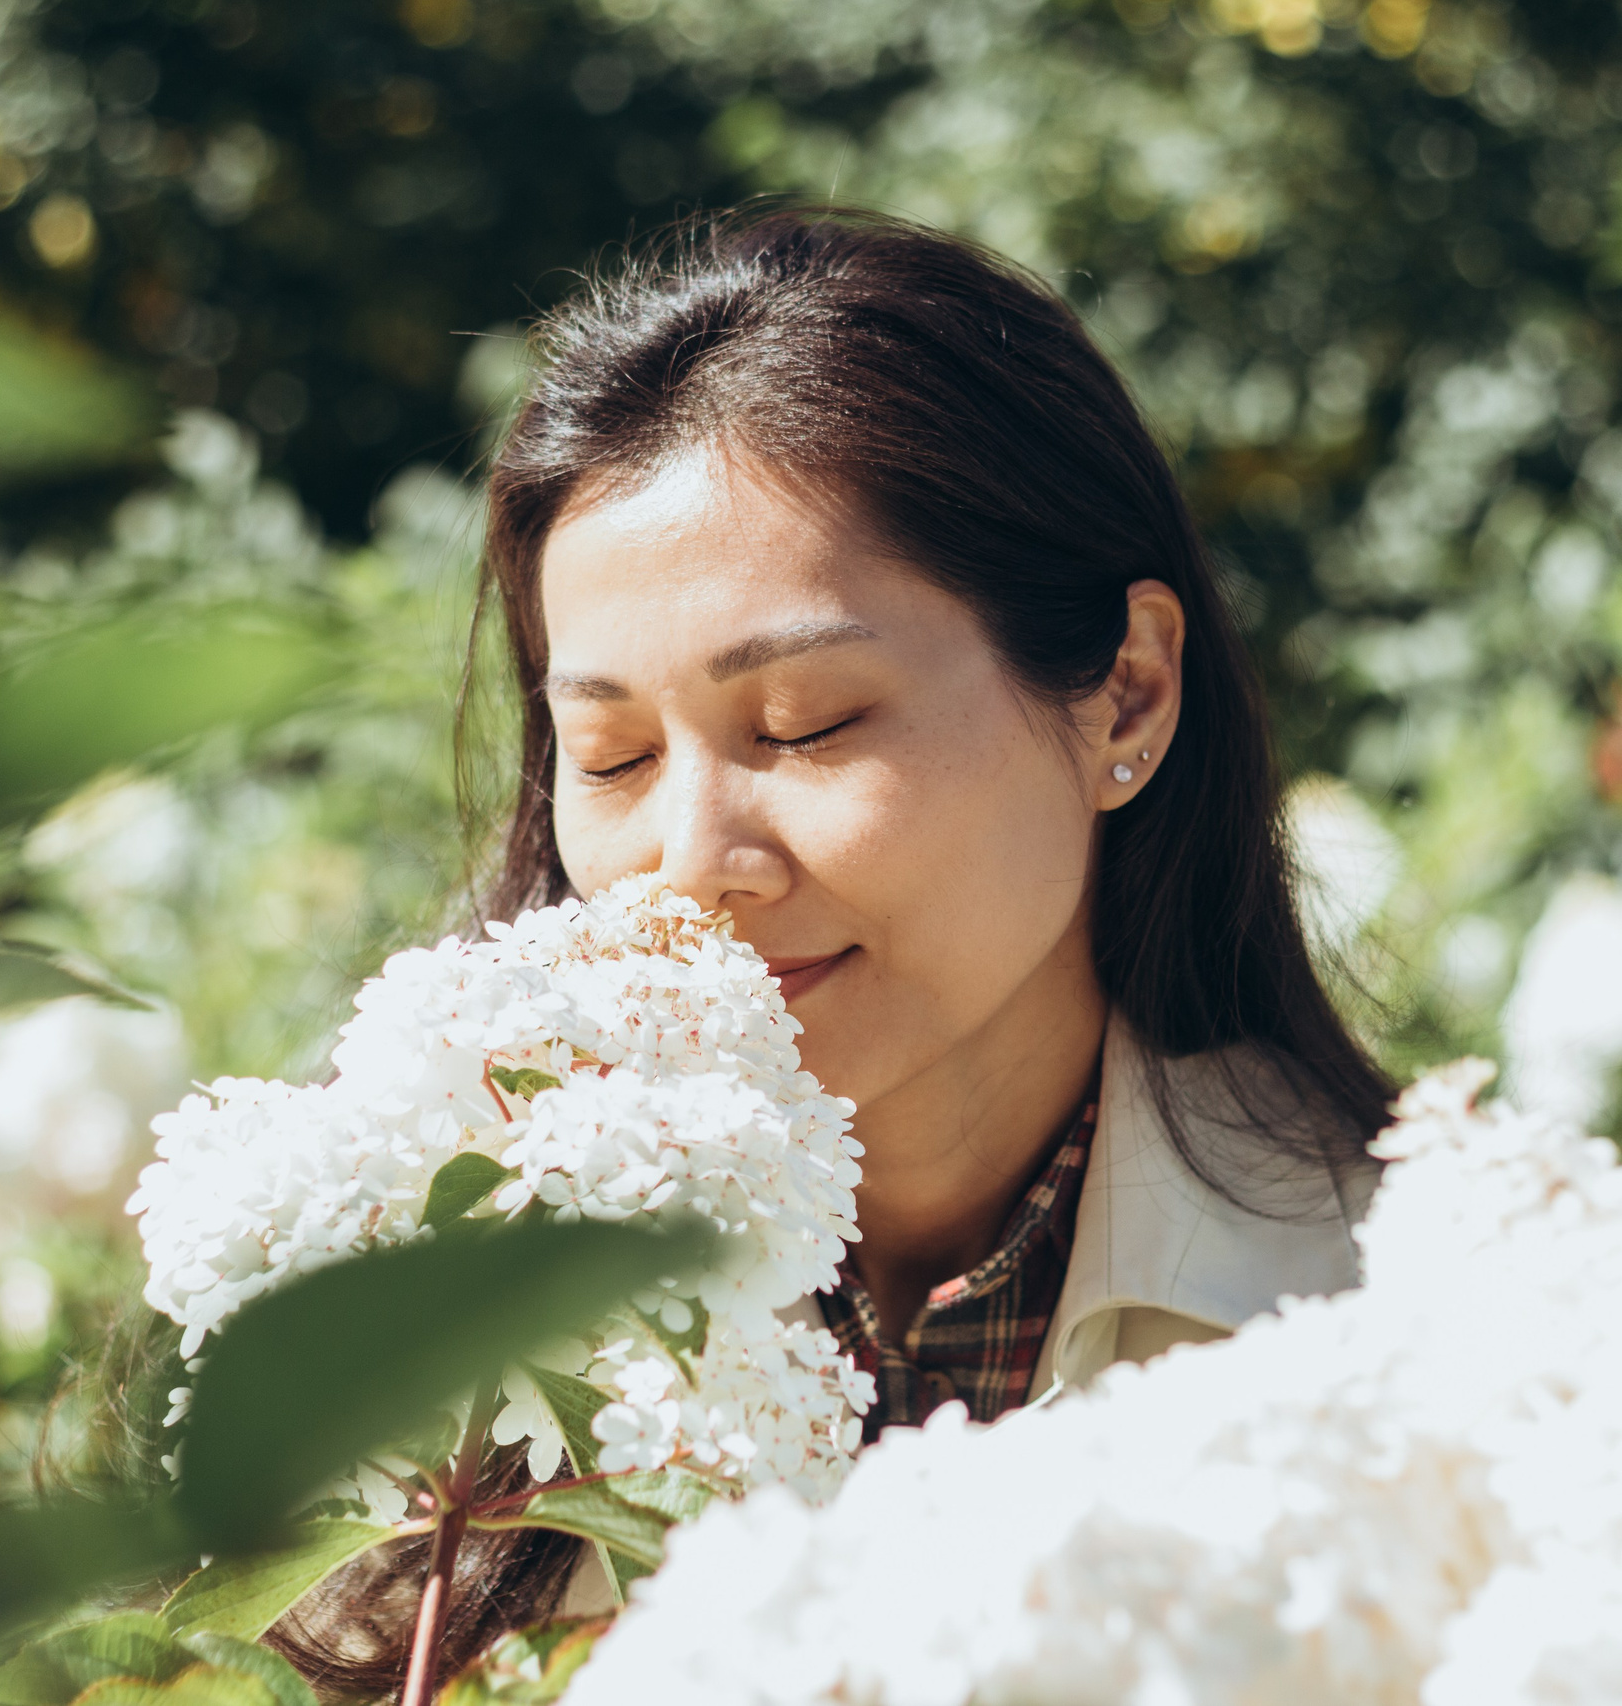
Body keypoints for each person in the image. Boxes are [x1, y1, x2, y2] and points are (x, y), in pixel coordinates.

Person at [273, 204, 1389, 1692]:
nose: (690, 863)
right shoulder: (411, 1359)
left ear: (1125, 691)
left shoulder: (1420, 1323)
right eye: (610, 756)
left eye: (806, 725)